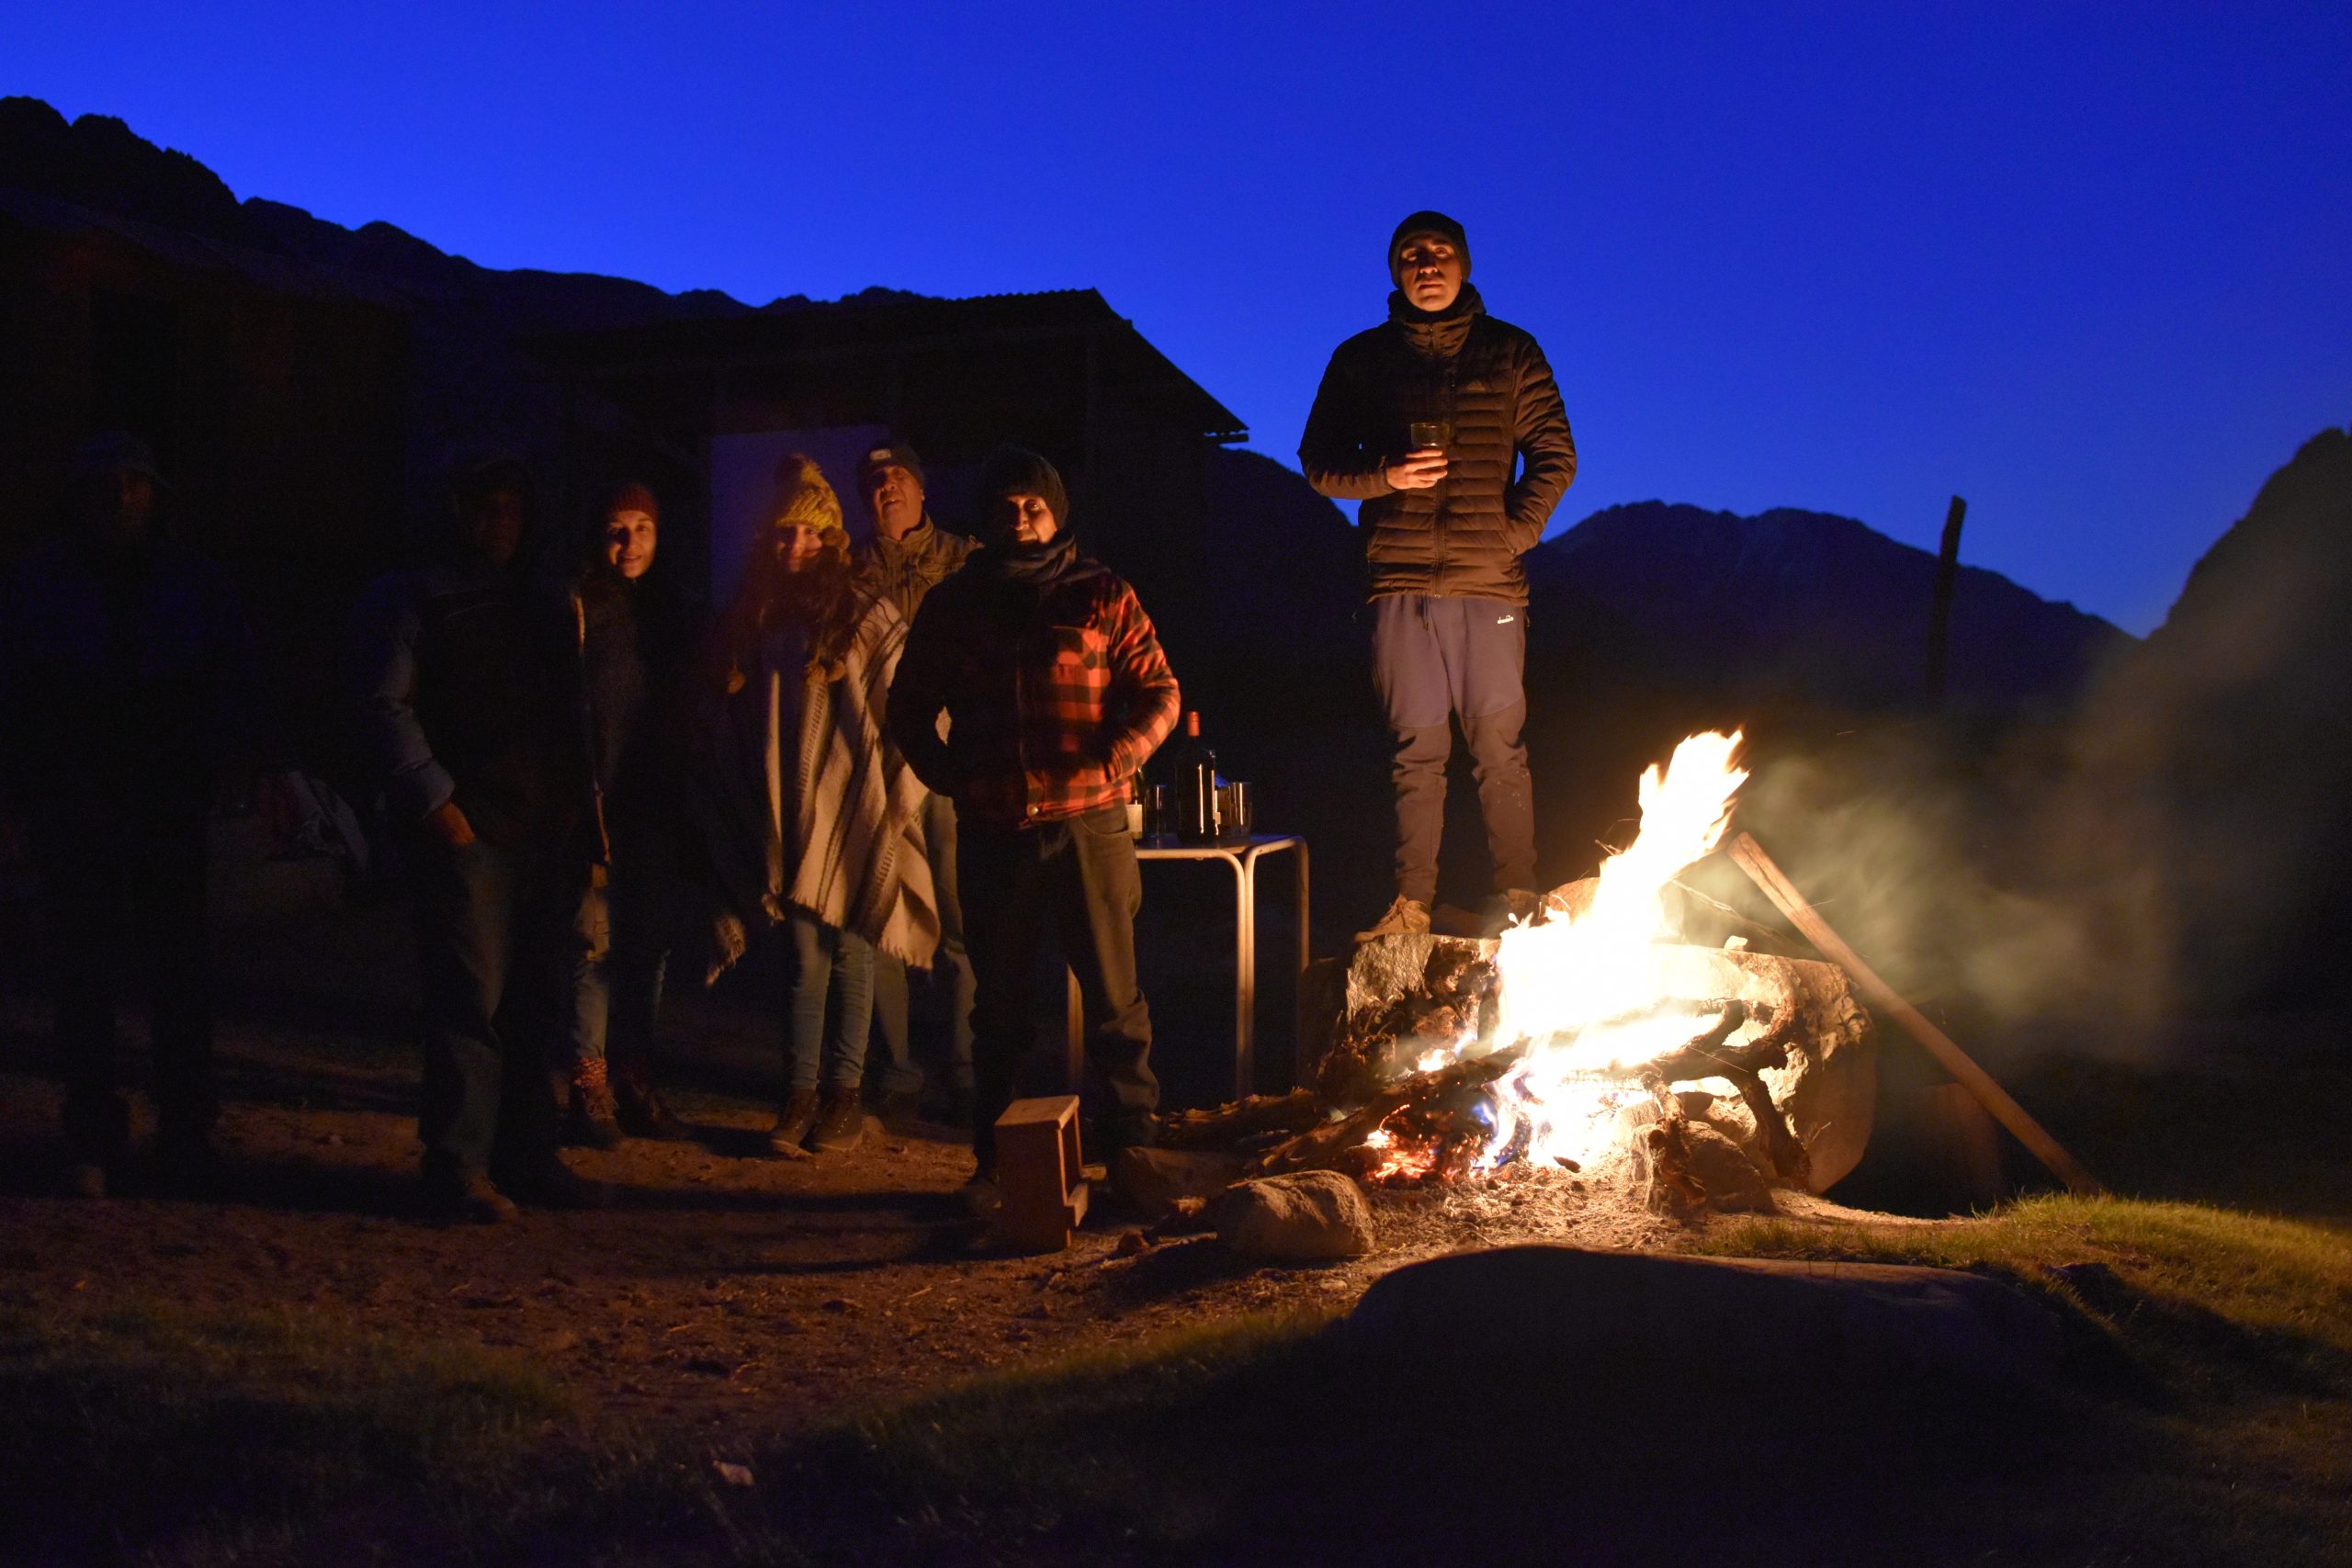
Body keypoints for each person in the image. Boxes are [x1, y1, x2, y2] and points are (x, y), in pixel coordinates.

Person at [887, 446, 1180, 1203]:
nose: (1022, 519)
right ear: (988, 517)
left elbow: (1160, 691)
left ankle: (1132, 1155)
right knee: (1003, 1009)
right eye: (1008, 507)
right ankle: (1002, 1166)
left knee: (1116, 1000)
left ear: (1058, 512)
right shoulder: (955, 604)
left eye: (1035, 506)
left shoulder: (1101, 592)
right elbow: (908, 709)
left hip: (1090, 824)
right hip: (997, 831)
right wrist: (954, 777)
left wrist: (1116, 756)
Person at [1298, 210, 1577, 939]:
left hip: (1489, 587)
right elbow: (1319, 464)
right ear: (1395, 270)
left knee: (1499, 752)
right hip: (1399, 583)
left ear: (1465, 265)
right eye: (1412, 254)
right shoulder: (1361, 358)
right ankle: (1411, 906)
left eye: (1441, 252)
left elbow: (1556, 456)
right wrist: (1385, 475)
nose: (1427, 264)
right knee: (1415, 753)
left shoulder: (1511, 352)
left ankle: (1520, 897)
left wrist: (1511, 533)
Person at [0, 433, 256, 1198]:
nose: (120, 496)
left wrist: (224, 762)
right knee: (85, 972)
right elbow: (16, 692)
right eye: (107, 484)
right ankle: (92, 1133)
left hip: (164, 801)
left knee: (178, 970)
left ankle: (184, 1130)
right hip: (75, 801)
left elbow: (231, 678)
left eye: (134, 483)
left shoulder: (192, 582)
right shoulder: (41, 581)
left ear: (155, 495)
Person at [348, 454, 601, 1222]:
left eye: (512, 509)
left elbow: (573, 715)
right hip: (473, 829)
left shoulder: (542, 599)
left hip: (544, 830)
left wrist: (583, 823)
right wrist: (433, 797)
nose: (500, 523)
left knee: (537, 1001)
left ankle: (528, 1155)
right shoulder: (417, 593)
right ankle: (456, 1163)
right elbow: (383, 701)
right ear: (457, 512)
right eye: (485, 508)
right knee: (471, 1001)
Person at [698, 456, 937, 1156]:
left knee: (855, 951)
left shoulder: (865, 610)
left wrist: (896, 790)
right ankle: (796, 1092)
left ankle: (845, 1094)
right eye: (782, 534)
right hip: (790, 813)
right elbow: (740, 724)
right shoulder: (759, 617)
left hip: (854, 809)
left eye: (809, 533)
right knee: (803, 956)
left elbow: (909, 702)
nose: (795, 545)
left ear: (831, 539)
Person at [561, 481, 701, 1146]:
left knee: (648, 948)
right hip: (598, 801)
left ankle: (633, 1076)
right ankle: (586, 1083)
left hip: (656, 803)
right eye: (617, 528)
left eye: (641, 528)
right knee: (593, 946)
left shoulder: (671, 609)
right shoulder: (581, 606)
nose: (629, 543)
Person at [848, 439, 978, 1123]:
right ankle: (894, 1065)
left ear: (923, 490)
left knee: (962, 917)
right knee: (882, 912)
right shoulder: (849, 571)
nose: (886, 489)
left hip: (950, 761)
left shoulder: (962, 561)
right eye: (873, 482)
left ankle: (963, 1062)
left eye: (898, 476)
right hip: (873, 765)